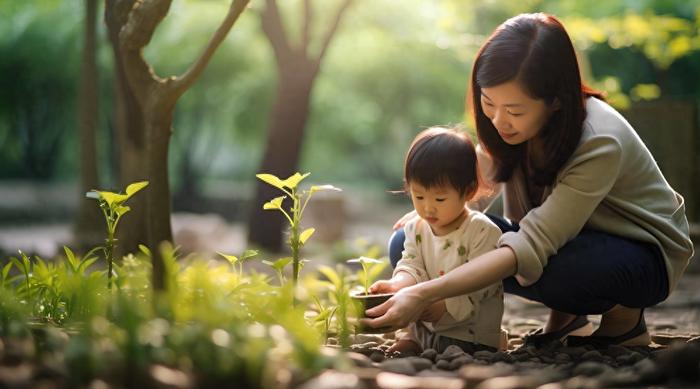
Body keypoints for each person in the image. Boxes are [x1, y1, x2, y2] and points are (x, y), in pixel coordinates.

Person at [366, 13, 694, 348]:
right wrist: (435, 211)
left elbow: (532, 244)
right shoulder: (516, 128)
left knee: (552, 269)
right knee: (411, 238)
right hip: (565, 239)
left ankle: (624, 322)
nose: (497, 120)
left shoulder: (599, 140)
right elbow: (476, 175)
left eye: (514, 110)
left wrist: (422, 293)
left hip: (639, 257)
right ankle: (567, 320)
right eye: (488, 103)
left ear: (555, 100)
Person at [371, 126, 504, 354]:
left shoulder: (481, 230)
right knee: (413, 322)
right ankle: (415, 338)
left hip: (470, 332)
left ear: (469, 191)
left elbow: (479, 289)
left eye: (440, 198)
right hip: (428, 321)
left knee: (457, 347)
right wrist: (398, 285)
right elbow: (411, 264)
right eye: (419, 196)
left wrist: (439, 307)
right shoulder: (417, 227)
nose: (427, 207)